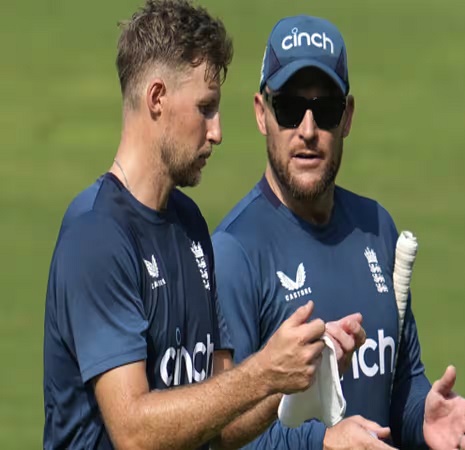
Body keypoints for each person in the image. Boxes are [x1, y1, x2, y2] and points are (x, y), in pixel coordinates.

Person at [42, 3, 373, 449]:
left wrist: (299, 370)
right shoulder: (97, 234)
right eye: (205, 108)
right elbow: (134, 432)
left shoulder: (190, 226)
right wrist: (264, 372)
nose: (216, 132)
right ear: (157, 98)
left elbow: (224, 424)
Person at [212, 15, 465, 450]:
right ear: (262, 114)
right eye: (289, 109)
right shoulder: (234, 252)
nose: (307, 131)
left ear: (348, 117)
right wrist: (322, 443)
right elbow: (225, 435)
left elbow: (401, 382)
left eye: (325, 110)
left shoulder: (376, 227)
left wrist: (424, 418)